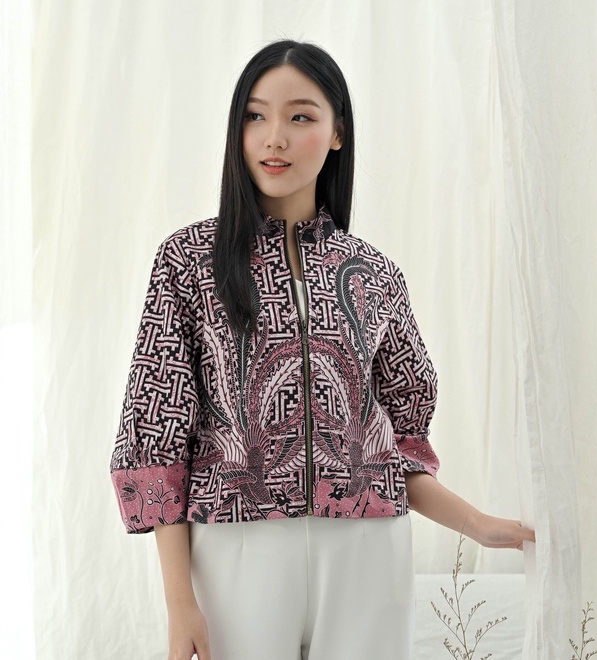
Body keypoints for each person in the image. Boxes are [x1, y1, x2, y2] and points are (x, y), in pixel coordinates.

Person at [110, 39, 535, 660]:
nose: (274, 137)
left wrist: (479, 525)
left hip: (368, 548)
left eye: (300, 116)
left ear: (338, 133)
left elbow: (400, 445)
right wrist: (180, 603)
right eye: (255, 116)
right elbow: (155, 435)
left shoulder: (375, 274)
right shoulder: (189, 261)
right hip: (237, 547)